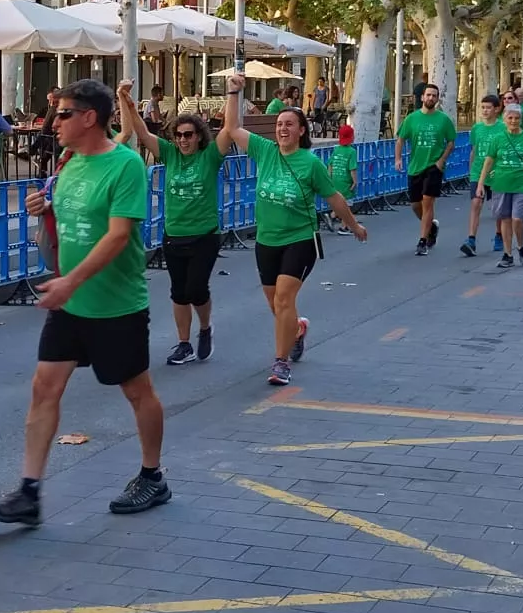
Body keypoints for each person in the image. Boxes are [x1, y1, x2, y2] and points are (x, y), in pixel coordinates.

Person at [0, 79, 167, 526]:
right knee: (44, 387)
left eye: (63, 114)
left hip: (115, 303)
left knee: (137, 391)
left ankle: (153, 475)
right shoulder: (66, 163)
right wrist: (43, 206)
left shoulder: (125, 167)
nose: (54, 123)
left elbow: (119, 235)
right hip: (70, 303)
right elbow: (68, 222)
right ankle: (29, 493)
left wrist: (70, 282)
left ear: (89, 118)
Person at [218, 70, 367, 385]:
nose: (283, 129)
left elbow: (334, 197)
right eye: (279, 124)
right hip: (267, 240)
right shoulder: (264, 151)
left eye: (289, 124)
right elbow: (231, 128)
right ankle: (297, 330)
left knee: (284, 299)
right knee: (275, 304)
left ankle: (280, 363)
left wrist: (353, 224)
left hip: (300, 239)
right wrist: (233, 92)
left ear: (301, 131)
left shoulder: (310, 163)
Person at [118, 79, 221, 366]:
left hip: (205, 235)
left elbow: (230, 130)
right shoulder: (171, 154)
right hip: (174, 236)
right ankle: (184, 343)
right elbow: (140, 131)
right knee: (178, 292)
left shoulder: (209, 157)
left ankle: (205, 329)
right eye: (178, 135)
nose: (183, 140)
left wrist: (235, 92)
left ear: (199, 136)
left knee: (197, 289)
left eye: (189, 135)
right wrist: (125, 99)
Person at [395, 81, 457, 255]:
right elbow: (400, 139)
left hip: (434, 167)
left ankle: (422, 241)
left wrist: (441, 160)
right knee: (416, 205)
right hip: (415, 166)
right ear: (422, 97)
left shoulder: (443, 119)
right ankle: (431, 227)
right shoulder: (412, 118)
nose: (431, 98)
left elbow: (451, 141)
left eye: (434, 95)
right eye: (428, 95)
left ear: (437, 99)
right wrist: (398, 159)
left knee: (427, 202)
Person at [482, 102, 523, 267]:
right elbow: (489, 161)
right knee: (505, 218)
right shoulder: (498, 138)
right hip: (501, 183)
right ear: (504, 119)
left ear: (521, 119)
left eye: (516, 118)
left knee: (517, 218)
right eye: (510, 118)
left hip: (522, 183)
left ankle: (520, 245)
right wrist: (481, 183)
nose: (513, 121)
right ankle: (507, 254)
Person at [459, 93, 509, 255]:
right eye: (483, 107)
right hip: (478, 172)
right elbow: (474, 150)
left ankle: (499, 235)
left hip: (497, 172)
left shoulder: (503, 128)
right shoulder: (476, 128)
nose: (485, 111)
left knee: (498, 208)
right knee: (476, 203)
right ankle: (471, 239)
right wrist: (471, 168)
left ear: (497, 109)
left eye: (489, 108)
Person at [325, 122, 359, 229]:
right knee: (347, 205)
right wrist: (354, 181)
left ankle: (332, 216)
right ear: (351, 137)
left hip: (335, 180)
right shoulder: (352, 151)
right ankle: (343, 227)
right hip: (346, 182)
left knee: (340, 201)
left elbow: (330, 164)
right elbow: (352, 168)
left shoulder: (336, 149)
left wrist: (329, 177)